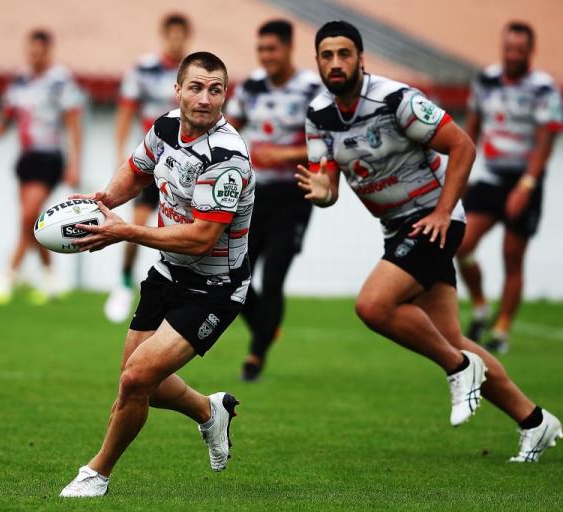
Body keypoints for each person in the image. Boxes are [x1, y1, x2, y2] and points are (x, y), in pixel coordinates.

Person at [296, 20, 561, 462]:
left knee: (373, 306)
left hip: (434, 221)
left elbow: (463, 146)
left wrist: (442, 212)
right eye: (327, 55)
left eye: (344, 54)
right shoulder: (318, 116)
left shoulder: (396, 100)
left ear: (361, 59)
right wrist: (323, 195)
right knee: (452, 336)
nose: (336, 63)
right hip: (399, 228)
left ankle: (459, 369)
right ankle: (534, 421)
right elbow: (327, 187)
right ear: (319, 62)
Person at [59, 52, 255, 497]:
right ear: (178, 90)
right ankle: (210, 411)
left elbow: (202, 238)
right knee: (141, 378)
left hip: (215, 288)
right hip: (168, 273)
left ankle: (97, 473)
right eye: (196, 87)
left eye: (216, 89)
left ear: (226, 95)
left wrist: (124, 231)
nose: (205, 99)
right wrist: (103, 200)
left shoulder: (226, 157)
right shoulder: (166, 126)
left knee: (134, 380)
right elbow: (136, 171)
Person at [456, 22, 563, 353]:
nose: (513, 55)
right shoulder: (486, 80)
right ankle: (480, 307)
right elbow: (471, 126)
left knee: (511, 256)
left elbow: (546, 139)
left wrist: (526, 185)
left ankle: (501, 331)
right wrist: (461, 173)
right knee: (461, 243)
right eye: (509, 49)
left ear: (530, 52)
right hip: (491, 176)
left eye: (520, 50)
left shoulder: (542, 87)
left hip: (524, 180)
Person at [225, 19, 321, 380]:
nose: (266, 56)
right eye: (261, 49)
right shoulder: (250, 87)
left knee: (275, 275)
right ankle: (267, 325)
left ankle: (255, 356)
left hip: (294, 194)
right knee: (235, 274)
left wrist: (283, 155)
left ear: (288, 48)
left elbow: (326, 140)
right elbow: (227, 129)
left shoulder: (311, 88)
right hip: (255, 195)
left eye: (272, 49)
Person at [0, 28, 83, 305]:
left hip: (50, 157)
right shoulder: (19, 81)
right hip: (26, 158)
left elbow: (74, 123)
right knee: (31, 222)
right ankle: (52, 278)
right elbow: (4, 121)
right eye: (31, 50)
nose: (34, 55)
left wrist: (75, 163)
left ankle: (8, 275)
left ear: (48, 51)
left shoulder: (60, 81)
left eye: (39, 50)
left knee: (28, 215)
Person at [104, 13, 192, 323]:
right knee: (137, 224)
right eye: (172, 34)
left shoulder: (194, 74)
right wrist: (119, 151)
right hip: (153, 163)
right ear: (165, 35)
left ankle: (183, 288)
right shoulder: (145, 69)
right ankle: (124, 281)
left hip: (188, 167)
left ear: (187, 37)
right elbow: (126, 110)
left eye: (182, 35)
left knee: (183, 229)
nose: (176, 40)